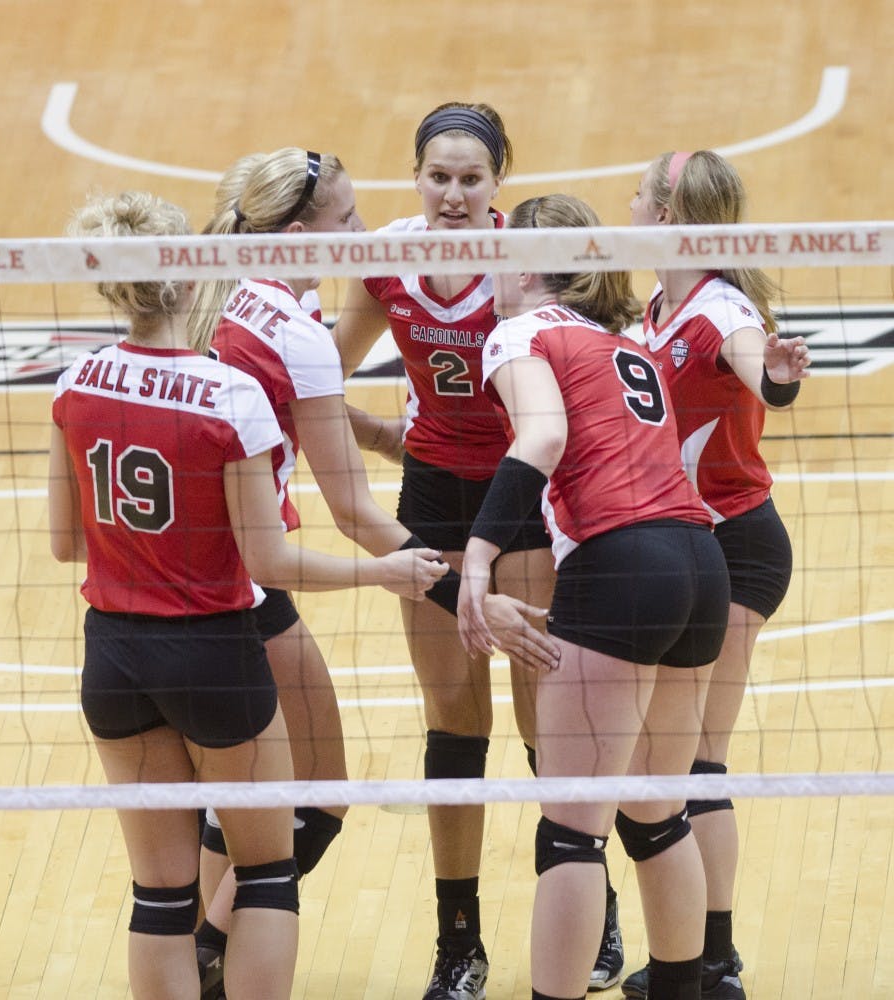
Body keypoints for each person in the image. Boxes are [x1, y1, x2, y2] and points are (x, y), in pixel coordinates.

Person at [49, 190, 451, 1000]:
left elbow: (66, 543)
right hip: (214, 649)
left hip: (113, 655)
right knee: (266, 873)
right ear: (191, 275)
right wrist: (386, 571)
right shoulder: (229, 398)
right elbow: (267, 557)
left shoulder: (75, 381)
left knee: (158, 897)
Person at [187, 149, 558, 999]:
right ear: (298, 233)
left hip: (183, 567)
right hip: (254, 575)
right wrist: (455, 586)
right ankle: (210, 954)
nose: (360, 233)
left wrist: (376, 437)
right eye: (345, 220)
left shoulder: (213, 284)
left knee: (231, 800)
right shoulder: (300, 329)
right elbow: (354, 517)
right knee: (315, 798)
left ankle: (192, 952)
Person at [456, 192, 733, 1000]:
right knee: (658, 811)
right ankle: (686, 987)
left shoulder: (522, 332)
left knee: (572, 837)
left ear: (537, 265)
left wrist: (477, 562)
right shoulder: (629, 346)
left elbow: (542, 438)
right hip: (698, 563)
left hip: (622, 566)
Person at [332, 103, 559, 999]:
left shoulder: (530, 255)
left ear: (499, 179)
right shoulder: (386, 258)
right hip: (430, 500)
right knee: (455, 723)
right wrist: (385, 438)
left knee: (548, 723)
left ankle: (592, 905)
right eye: (439, 177)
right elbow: (320, 372)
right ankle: (457, 944)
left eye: (472, 179)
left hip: (528, 501)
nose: (454, 195)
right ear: (416, 175)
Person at [608, 150, 811, 1000]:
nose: (627, 201)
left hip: (737, 546)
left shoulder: (720, 308)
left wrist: (774, 377)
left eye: (639, 194)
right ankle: (696, 950)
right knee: (671, 761)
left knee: (698, 763)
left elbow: (748, 357)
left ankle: (712, 958)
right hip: (689, 547)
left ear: (666, 215)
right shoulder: (659, 305)